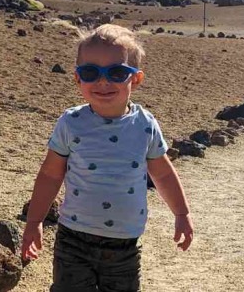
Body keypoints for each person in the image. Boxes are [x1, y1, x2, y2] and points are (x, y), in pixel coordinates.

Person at [21, 24, 194, 292]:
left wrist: (181, 213)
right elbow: (50, 174)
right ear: (78, 79)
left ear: (135, 79)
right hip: (73, 238)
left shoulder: (145, 125)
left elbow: (162, 173)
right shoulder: (71, 123)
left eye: (116, 73)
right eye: (90, 73)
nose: (103, 82)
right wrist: (34, 221)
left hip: (125, 243)